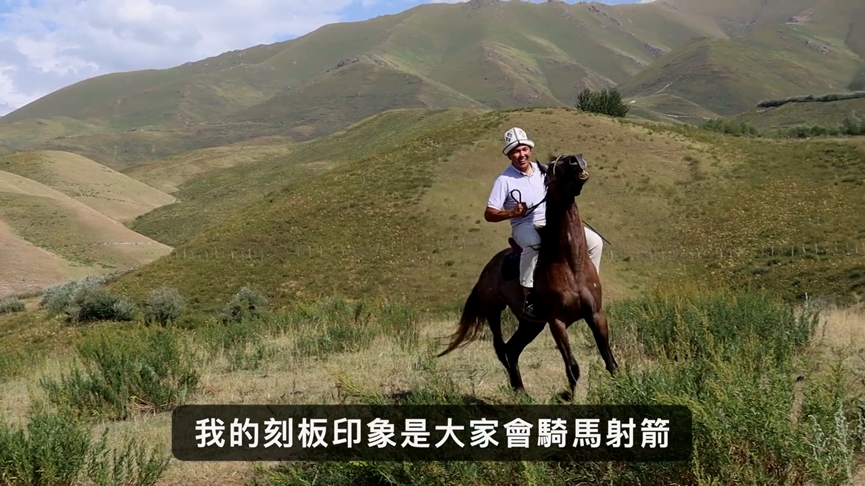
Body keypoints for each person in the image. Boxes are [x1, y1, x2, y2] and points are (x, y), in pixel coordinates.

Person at [485, 127, 603, 319]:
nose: (521, 154)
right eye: (515, 151)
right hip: (524, 226)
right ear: (509, 155)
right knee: (534, 244)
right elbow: (489, 214)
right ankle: (528, 294)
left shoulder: (543, 172)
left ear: (530, 150)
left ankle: (591, 286)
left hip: (551, 222)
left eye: (524, 149)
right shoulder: (504, 180)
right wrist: (511, 213)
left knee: (596, 242)